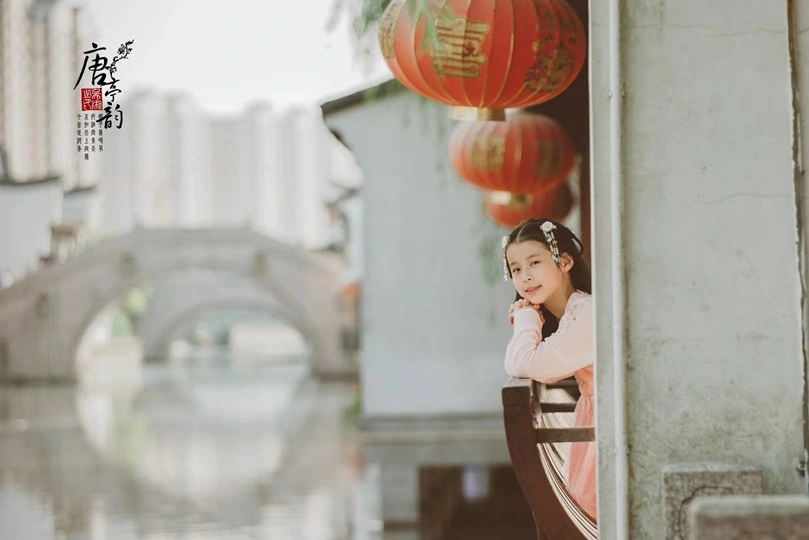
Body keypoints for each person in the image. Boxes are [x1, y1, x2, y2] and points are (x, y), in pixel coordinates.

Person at [502, 217, 597, 520]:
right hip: (597, 419)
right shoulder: (576, 313)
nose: (525, 277)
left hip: (609, 424)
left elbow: (523, 363)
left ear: (565, 261)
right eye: (516, 269)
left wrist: (526, 319)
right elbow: (518, 363)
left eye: (534, 263)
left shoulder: (587, 314)